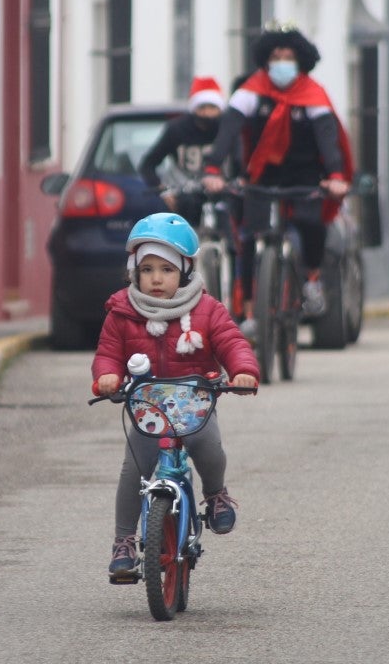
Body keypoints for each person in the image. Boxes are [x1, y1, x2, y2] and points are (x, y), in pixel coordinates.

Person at [92, 213, 259, 579]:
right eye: (147, 269)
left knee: (207, 445)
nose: (156, 278)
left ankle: (215, 495)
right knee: (134, 466)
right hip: (147, 405)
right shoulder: (123, 312)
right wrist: (107, 376)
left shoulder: (206, 309)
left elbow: (232, 342)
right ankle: (123, 541)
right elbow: (108, 352)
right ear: (134, 271)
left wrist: (243, 370)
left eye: (166, 269)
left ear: (184, 271)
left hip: (194, 400)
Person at [205, 25, 353, 331]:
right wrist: (212, 168)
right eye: (276, 56)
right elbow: (229, 129)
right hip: (262, 175)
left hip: (305, 175)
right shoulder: (251, 90)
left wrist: (336, 175)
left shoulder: (313, 94)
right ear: (265, 60)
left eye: (288, 56)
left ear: (300, 61)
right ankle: (249, 308)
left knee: (312, 224)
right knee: (248, 238)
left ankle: (311, 279)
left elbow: (328, 137)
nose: (282, 62)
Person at [137, 76, 229, 225]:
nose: (207, 114)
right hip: (186, 195)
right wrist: (164, 191)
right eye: (202, 108)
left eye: (213, 108)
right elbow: (148, 164)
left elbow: (242, 161)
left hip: (222, 194)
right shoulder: (177, 130)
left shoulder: (228, 129)